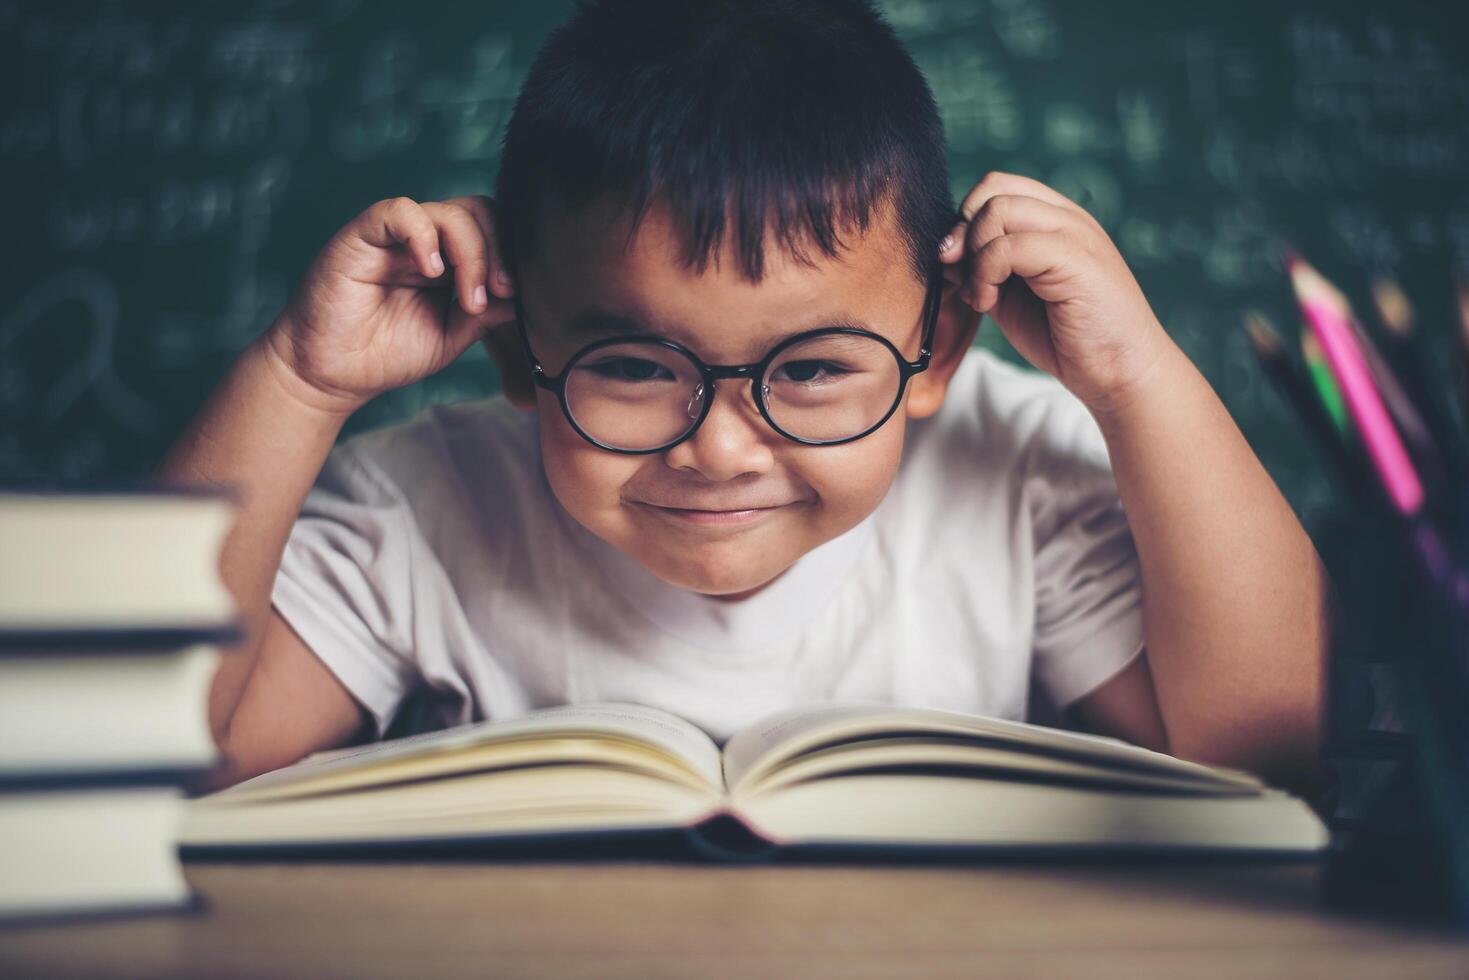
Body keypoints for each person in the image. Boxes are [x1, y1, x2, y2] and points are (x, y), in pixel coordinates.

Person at [161, 0, 1326, 792]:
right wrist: (299, 380)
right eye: (630, 365)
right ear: (519, 352)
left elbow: (1259, 752)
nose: (718, 448)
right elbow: (163, 753)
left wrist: (1134, 375)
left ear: (932, 352)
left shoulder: (1015, 469)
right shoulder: (424, 502)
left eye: (812, 368)